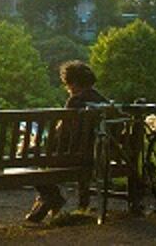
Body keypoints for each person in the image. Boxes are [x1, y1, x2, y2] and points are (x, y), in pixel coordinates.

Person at [25, 60, 108, 222]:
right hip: (94, 156)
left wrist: (43, 144)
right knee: (40, 154)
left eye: (67, 84)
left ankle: (51, 196)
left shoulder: (74, 102)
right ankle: (52, 199)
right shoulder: (101, 100)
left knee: (29, 154)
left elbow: (62, 133)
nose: (67, 88)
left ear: (74, 83)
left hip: (70, 157)